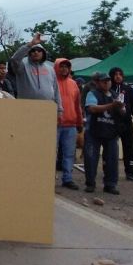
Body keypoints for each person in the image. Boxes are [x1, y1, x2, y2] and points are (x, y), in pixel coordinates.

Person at [84, 72, 124, 194]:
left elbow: (123, 111)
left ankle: (110, 185)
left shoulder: (116, 95)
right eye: (103, 81)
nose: (107, 83)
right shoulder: (92, 93)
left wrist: (120, 107)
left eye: (108, 80)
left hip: (111, 132)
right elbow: (92, 108)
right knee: (91, 158)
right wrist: (112, 105)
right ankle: (90, 183)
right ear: (97, 83)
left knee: (112, 159)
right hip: (94, 131)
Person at [10, 34, 62, 114]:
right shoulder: (22, 67)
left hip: (47, 108)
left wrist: (59, 109)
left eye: (39, 50)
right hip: (26, 108)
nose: (36, 52)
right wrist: (30, 44)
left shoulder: (50, 69)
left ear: (43, 53)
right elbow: (15, 59)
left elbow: (56, 90)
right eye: (33, 50)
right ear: (29, 53)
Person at [110, 67, 133, 182]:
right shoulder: (108, 89)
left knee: (129, 148)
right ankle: (108, 171)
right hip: (112, 122)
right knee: (110, 147)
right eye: (115, 74)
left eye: (120, 74)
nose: (118, 76)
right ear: (111, 76)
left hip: (126, 122)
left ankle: (130, 172)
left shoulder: (129, 89)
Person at [54, 59, 84, 190]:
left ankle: (67, 179)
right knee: (51, 153)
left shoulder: (73, 84)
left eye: (66, 66)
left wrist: (79, 121)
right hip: (54, 124)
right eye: (61, 66)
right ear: (56, 67)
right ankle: (49, 178)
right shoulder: (51, 82)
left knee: (69, 153)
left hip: (71, 124)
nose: (64, 69)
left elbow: (77, 105)